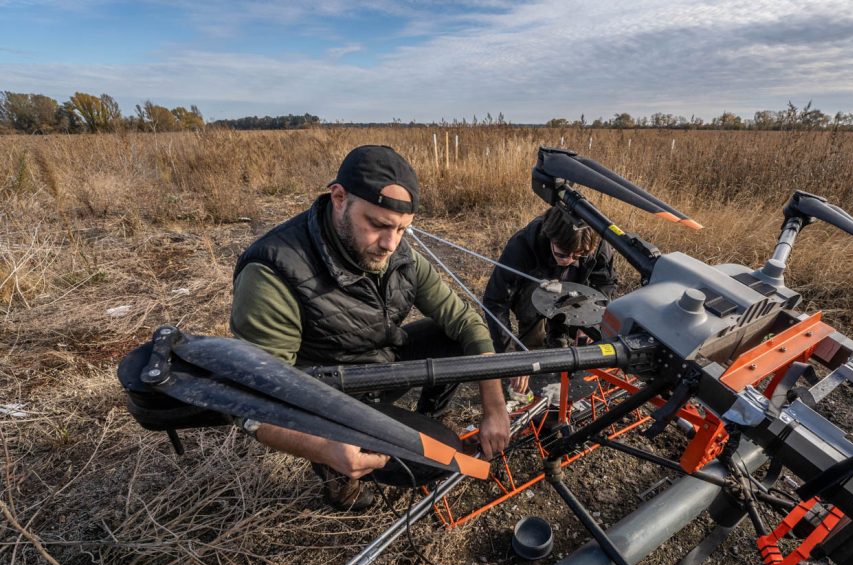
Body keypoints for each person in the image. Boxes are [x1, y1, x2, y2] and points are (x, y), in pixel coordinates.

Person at [230, 145, 510, 510]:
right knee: (442, 457)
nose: (390, 244)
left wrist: (495, 406)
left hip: (380, 362)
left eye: (402, 230)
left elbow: (466, 322)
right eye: (377, 225)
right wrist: (324, 446)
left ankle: (424, 419)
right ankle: (336, 474)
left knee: (451, 338)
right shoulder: (275, 272)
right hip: (327, 398)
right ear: (339, 198)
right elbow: (255, 402)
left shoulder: (399, 254)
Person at [482, 206, 618, 394]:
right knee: (533, 307)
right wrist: (509, 358)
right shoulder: (522, 246)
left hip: (573, 295)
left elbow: (606, 282)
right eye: (562, 254)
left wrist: (590, 322)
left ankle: (558, 337)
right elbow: (494, 301)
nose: (569, 260)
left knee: (583, 332)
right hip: (531, 295)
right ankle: (531, 349)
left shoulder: (598, 246)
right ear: (549, 237)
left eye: (578, 256)